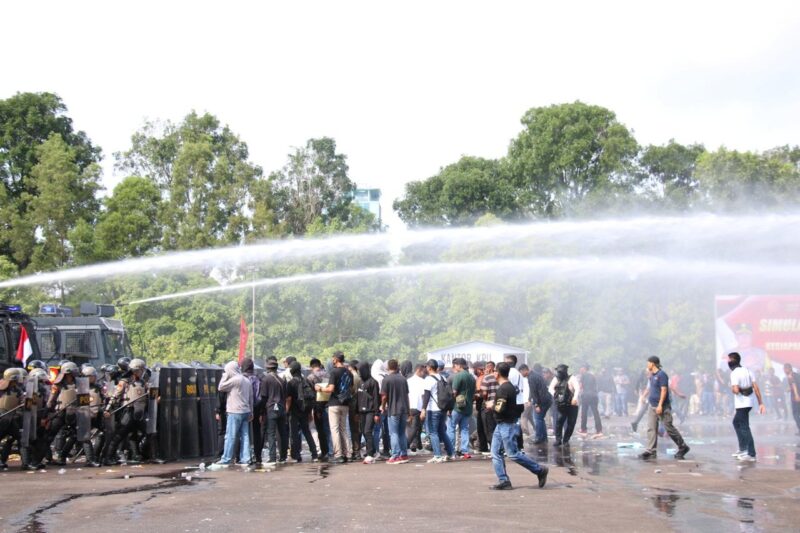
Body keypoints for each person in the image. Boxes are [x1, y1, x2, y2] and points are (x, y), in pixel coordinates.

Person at [488, 362, 549, 490]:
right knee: (495, 453)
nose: (493, 373)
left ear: (497, 373)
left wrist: (491, 406)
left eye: (494, 371)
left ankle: (539, 470)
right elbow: (518, 406)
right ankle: (504, 480)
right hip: (502, 424)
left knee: (513, 454)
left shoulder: (504, 389)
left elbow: (500, 408)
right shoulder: (510, 387)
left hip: (506, 425)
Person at [639, 356, 690, 460]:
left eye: (648, 363)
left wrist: (660, 405)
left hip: (662, 406)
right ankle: (651, 451)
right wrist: (644, 397)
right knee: (651, 428)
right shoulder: (652, 376)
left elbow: (664, 390)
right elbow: (650, 388)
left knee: (668, 427)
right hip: (652, 405)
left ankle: (683, 446)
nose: (647, 365)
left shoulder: (662, 375)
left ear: (652, 363)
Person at [102, 359, 151, 465]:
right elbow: (115, 395)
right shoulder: (124, 381)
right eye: (140, 370)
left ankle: (149, 455)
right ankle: (108, 458)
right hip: (129, 411)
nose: (142, 372)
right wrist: (107, 409)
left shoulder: (143, 382)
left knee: (150, 433)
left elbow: (148, 395)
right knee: (119, 435)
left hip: (140, 412)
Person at [213, 360, 253, 467]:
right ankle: (246, 458)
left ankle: (226, 458)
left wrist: (225, 376)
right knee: (245, 436)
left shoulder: (235, 380)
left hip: (234, 412)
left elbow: (220, 387)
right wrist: (251, 412)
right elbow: (251, 398)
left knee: (230, 436)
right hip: (245, 411)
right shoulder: (246, 380)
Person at [316, 351, 352, 464]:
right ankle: (348, 453)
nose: (332, 360)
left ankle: (339, 454)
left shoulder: (334, 372)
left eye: (333, 358)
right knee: (343, 429)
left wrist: (320, 389)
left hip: (334, 403)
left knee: (335, 430)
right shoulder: (349, 372)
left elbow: (331, 389)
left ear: (336, 359)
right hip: (345, 404)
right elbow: (349, 388)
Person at [728, 352, 765, 461]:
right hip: (749, 402)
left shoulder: (734, 373)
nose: (728, 362)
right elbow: (756, 388)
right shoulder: (748, 371)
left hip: (742, 403)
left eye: (729, 360)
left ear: (733, 361)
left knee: (744, 426)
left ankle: (751, 453)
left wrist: (733, 389)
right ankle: (743, 448)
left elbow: (735, 390)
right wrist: (761, 403)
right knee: (736, 422)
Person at [421, 359, 454, 463]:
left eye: (427, 367)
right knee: (442, 432)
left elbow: (426, 395)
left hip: (433, 409)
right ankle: (451, 453)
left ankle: (437, 455)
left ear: (429, 367)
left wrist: (423, 409)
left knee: (433, 432)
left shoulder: (428, 379)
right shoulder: (443, 377)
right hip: (442, 408)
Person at [286, 361, 319, 463]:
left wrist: (286, 411)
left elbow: (289, 399)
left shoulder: (291, 383)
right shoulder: (307, 381)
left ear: (292, 371)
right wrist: (309, 412)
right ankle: (314, 454)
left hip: (294, 411)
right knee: (307, 432)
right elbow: (311, 397)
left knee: (294, 434)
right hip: (305, 411)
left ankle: (296, 456)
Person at [380, 359, 410, 464]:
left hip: (393, 410)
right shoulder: (403, 379)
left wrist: (383, 407)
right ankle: (404, 454)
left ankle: (395, 455)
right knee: (401, 432)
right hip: (404, 409)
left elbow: (384, 396)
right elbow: (407, 396)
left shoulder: (386, 379)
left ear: (388, 367)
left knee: (394, 433)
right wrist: (408, 411)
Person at [261, 359, 289, 465]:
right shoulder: (282, 380)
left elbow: (264, 397)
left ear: (268, 368)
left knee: (271, 433)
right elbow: (285, 396)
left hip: (271, 408)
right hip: (281, 408)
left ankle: (272, 457)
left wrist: (262, 412)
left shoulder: (266, 379)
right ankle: (283, 456)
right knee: (282, 433)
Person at [447, 358, 476, 459]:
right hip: (468, 407)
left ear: (459, 365)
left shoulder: (458, 376)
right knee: (464, 429)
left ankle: (451, 452)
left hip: (457, 407)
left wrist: (449, 407)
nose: (454, 368)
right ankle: (465, 451)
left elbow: (454, 393)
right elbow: (473, 394)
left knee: (451, 428)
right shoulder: (472, 377)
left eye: (454, 366)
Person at [307, 358, 331, 461]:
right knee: (329, 430)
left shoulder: (310, 377)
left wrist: (312, 409)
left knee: (321, 431)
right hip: (329, 405)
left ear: (311, 366)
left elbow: (311, 395)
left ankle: (324, 452)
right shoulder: (328, 375)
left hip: (318, 407)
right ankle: (330, 451)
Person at [357, 361, 381, 463]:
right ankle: (370, 451)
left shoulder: (373, 382)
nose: (359, 372)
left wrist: (376, 413)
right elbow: (357, 397)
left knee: (367, 431)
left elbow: (376, 398)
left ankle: (371, 454)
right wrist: (356, 412)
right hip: (361, 411)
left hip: (371, 411)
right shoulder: (359, 382)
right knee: (363, 431)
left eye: (360, 370)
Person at [550, 364, 579, 447]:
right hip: (561, 404)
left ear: (565, 371)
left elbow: (577, 389)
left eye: (560, 371)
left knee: (571, 423)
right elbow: (550, 388)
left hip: (572, 404)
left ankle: (566, 440)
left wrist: (575, 398)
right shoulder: (556, 378)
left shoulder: (572, 378)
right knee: (559, 422)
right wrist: (555, 395)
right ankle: (558, 440)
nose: (559, 373)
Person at [528, 364, 552, 445]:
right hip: (547, 400)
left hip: (542, 401)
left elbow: (534, 392)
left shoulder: (532, 377)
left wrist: (536, 404)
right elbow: (533, 391)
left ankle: (538, 437)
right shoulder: (540, 377)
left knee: (538, 419)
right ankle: (544, 438)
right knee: (540, 419)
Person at [406, 363, 427, 453]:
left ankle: (418, 446)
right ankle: (406, 446)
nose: (424, 373)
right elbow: (423, 396)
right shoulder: (422, 382)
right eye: (423, 371)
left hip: (409, 406)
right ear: (418, 370)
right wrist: (424, 409)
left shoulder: (408, 380)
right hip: (418, 407)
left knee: (414, 427)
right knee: (414, 428)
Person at [578, 363, 602, 436]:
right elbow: (596, 385)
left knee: (584, 413)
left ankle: (583, 429)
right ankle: (599, 430)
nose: (580, 369)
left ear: (584, 368)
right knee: (595, 413)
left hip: (586, 396)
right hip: (594, 395)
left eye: (581, 368)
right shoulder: (593, 376)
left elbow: (580, 386)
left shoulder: (583, 376)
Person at [480, 361, 498, 449]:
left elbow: (484, 392)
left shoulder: (487, 378)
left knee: (489, 427)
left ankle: (493, 447)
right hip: (499, 405)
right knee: (498, 426)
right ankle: (500, 447)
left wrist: (485, 399)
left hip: (489, 404)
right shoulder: (500, 376)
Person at [348, 359, 362, 462]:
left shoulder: (352, 376)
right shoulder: (359, 376)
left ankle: (356, 451)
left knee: (354, 430)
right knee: (357, 429)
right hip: (359, 405)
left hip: (353, 405)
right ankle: (357, 450)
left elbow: (352, 391)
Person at [784, 363, 800, 434]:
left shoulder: (790, 376)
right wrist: (789, 389)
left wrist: (796, 395)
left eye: (785, 369)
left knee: (795, 413)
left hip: (796, 398)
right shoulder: (797, 375)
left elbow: (794, 384)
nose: (784, 371)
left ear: (789, 369)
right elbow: (795, 385)